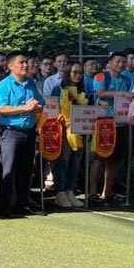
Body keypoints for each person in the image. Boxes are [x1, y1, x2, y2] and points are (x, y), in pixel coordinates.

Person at [0, 51, 45, 217]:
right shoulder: (4, 85)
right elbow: (1, 108)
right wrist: (24, 108)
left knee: (26, 169)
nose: (25, 65)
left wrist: (37, 106)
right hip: (11, 133)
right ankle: (4, 206)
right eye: (21, 62)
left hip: (28, 132)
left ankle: (23, 204)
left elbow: (40, 103)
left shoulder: (30, 84)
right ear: (10, 66)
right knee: (7, 169)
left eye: (26, 62)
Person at [90, 52, 132, 204]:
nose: (121, 65)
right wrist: (120, 93)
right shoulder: (102, 77)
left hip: (121, 123)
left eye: (123, 62)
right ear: (111, 62)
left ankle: (107, 192)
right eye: (118, 61)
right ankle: (92, 191)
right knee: (99, 158)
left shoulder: (127, 80)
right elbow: (100, 93)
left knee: (114, 160)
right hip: (103, 123)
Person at [51, 62, 88, 208]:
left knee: (75, 162)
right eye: (74, 72)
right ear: (67, 73)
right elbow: (52, 107)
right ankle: (59, 192)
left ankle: (70, 190)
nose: (77, 75)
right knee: (63, 162)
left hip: (79, 130)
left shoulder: (82, 90)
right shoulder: (58, 89)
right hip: (63, 131)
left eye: (80, 72)